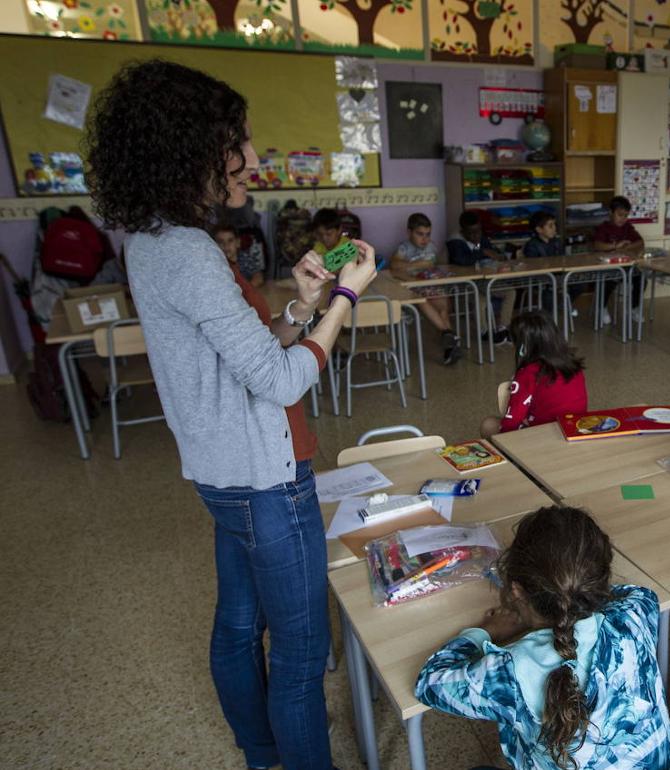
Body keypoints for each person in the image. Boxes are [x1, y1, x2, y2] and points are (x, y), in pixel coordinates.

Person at [85, 59, 378, 770]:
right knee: (302, 655)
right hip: (267, 482)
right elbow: (279, 380)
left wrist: (303, 305)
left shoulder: (155, 242)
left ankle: (262, 757)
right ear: (189, 150)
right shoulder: (189, 253)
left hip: (225, 478)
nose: (250, 158)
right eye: (236, 143)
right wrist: (345, 298)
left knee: (240, 626)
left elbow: (240, 355)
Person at [415, 506, 670, 770]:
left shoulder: (510, 670)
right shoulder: (632, 617)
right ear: (598, 581)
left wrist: (486, 631)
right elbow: (641, 594)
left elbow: (430, 681)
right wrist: (577, 597)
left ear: (517, 592)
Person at [481, 309, 587, 438]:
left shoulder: (528, 373)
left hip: (545, 438)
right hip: (575, 430)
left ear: (523, 347)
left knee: (488, 425)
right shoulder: (573, 364)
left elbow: (512, 422)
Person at [390, 212, 461, 365]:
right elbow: (394, 265)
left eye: (428, 234)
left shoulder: (432, 246)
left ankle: (450, 343)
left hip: (430, 286)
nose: (425, 239)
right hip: (413, 290)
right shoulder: (404, 248)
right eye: (420, 234)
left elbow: (437, 265)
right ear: (409, 232)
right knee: (420, 300)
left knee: (443, 308)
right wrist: (418, 265)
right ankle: (449, 336)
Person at [448, 210, 511, 344]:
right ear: (462, 231)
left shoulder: (481, 237)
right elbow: (462, 260)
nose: (476, 236)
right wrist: (483, 252)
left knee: (510, 292)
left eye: (478, 231)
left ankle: (503, 328)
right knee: (480, 301)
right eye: (471, 233)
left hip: (483, 280)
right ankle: (484, 332)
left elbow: (492, 252)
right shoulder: (455, 241)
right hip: (465, 283)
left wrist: (498, 256)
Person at [592, 196, 645, 325]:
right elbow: (597, 245)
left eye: (626, 215)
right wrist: (615, 246)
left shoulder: (627, 227)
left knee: (641, 278)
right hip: (607, 267)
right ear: (611, 213)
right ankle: (601, 308)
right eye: (620, 215)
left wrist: (627, 246)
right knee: (608, 281)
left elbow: (640, 242)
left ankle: (634, 308)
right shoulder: (603, 228)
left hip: (625, 266)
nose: (623, 219)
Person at [213, 223, 264, 288]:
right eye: (221, 241)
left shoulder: (245, 259)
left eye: (230, 240)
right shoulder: (214, 263)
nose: (226, 245)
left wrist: (245, 290)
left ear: (238, 243)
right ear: (214, 245)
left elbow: (258, 277)